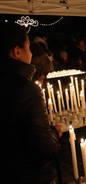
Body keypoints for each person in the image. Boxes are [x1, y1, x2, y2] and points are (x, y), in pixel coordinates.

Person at [0, 23, 62, 184]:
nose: (30, 53)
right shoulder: (25, 90)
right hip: (29, 175)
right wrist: (54, 133)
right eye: (28, 47)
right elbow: (45, 148)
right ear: (17, 51)